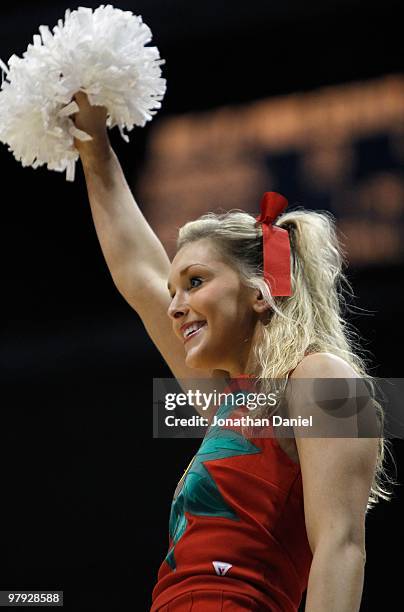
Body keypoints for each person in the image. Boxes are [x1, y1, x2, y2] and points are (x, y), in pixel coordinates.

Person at [72, 92, 395, 611]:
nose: (175, 306)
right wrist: (93, 146)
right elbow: (139, 275)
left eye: (195, 281)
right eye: (176, 290)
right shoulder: (235, 401)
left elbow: (342, 546)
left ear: (260, 290)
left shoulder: (320, 378)